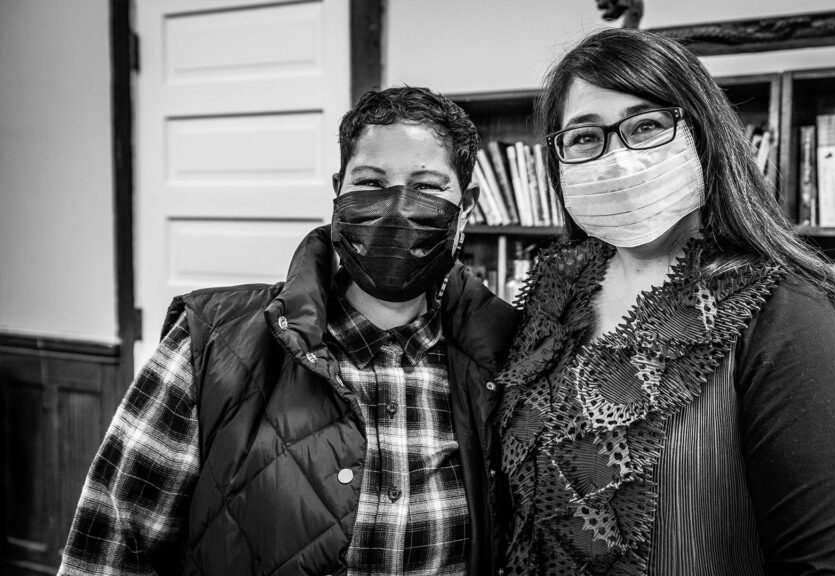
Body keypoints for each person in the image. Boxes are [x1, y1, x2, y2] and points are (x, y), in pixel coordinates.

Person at [59, 87, 518, 576]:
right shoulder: (211, 340)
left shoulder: (510, 357)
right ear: (338, 193)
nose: (396, 207)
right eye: (370, 181)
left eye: (427, 187)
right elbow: (109, 548)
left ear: (465, 211)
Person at [497, 28, 835, 575]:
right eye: (585, 137)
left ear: (702, 136)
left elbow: (827, 567)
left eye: (647, 126)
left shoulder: (788, 314)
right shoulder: (553, 293)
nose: (617, 159)